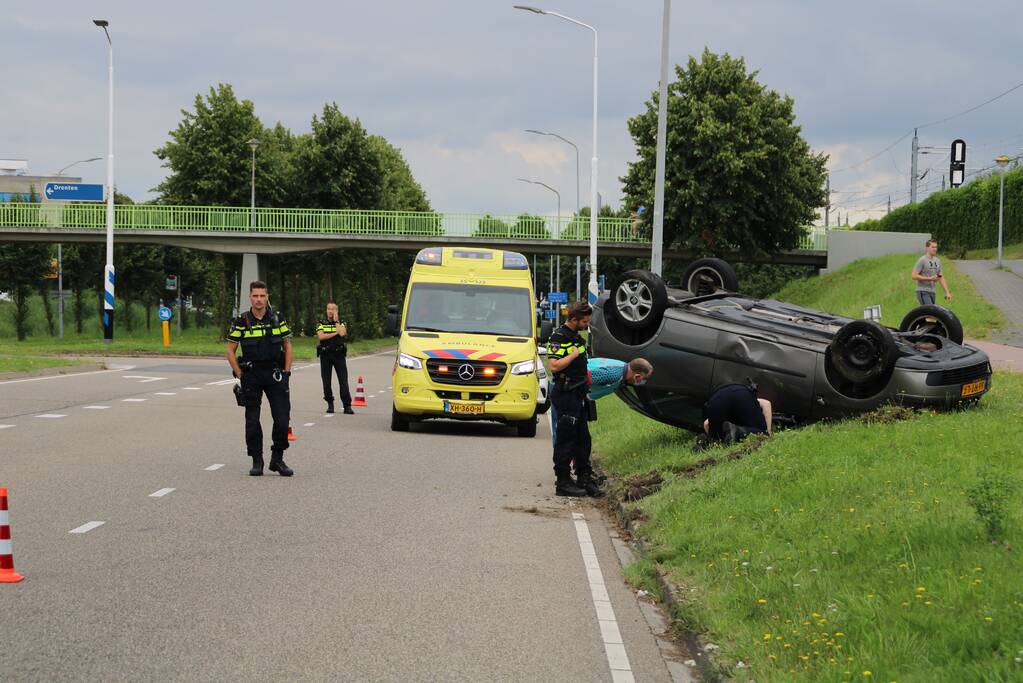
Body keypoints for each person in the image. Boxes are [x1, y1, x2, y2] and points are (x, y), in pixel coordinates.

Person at [227, 281, 294, 477]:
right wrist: (240, 373)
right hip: (252, 375)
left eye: (262, 296)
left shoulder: (277, 318)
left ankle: (277, 459)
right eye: (255, 296)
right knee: (252, 420)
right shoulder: (242, 320)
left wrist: (287, 373)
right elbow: (230, 350)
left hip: (275, 373)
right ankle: (257, 460)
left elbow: (287, 345)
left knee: (282, 418)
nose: (259, 300)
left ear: (267, 297)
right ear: (250, 297)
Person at [546, 300, 600, 497]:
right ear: (574, 319)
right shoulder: (558, 337)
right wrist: (573, 355)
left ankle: (584, 477)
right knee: (566, 439)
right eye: (584, 321)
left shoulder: (577, 338)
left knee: (583, 439)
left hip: (578, 394)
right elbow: (553, 366)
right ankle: (563, 480)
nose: (587, 325)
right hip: (565, 393)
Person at [697, 381, 772, 451]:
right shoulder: (743, 398)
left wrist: (712, 434)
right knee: (762, 432)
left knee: (717, 441)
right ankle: (739, 431)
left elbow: (706, 423)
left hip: (715, 399)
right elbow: (766, 403)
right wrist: (768, 433)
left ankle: (705, 442)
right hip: (739, 393)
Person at [316, 302, 353, 414]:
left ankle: (347, 405)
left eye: (333, 309)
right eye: (329, 309)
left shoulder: (341, 322)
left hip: (339, 355)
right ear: (326, 310)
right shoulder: (321, 323)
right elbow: (321, 336)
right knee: (326, 381)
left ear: (337, 311)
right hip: (325, 355)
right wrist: (335, 333)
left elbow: (342, 333)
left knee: (343, 381)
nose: (331, 311)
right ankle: (330, 404)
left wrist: (337, 323)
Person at [588, 357, 654, 401]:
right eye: (644, 378)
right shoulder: (613, 375)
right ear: (637, 376)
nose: (643, 381)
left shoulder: (622, 366)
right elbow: (583, 378)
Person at [911, 238, 952, 305]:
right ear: (927, 248)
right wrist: (929, 278)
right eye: (932, 247)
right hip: (923, 291)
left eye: (936, 247)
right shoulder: (922, 260)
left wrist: (947, 292)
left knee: (930, 314)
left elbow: (940, 277)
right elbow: (913, 276)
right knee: (930, 313)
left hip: (932, 291)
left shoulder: (937, 261)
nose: (935, 249)